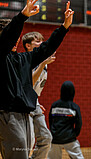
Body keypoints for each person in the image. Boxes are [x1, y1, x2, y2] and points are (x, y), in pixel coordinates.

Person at [0, 0, 74, 158]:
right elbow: (6, 39)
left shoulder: (22, 59)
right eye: (14, 36)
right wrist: (22, 16)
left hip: (24, 113)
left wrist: (64, 27)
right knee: (17, 152)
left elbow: (46, 48)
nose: (17, 39)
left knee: (25, 152)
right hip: (6, 113)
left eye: (18, 37)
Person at [22, 31, 55, 159]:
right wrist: (42, 64)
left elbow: (34, 88)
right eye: (37, 41)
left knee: (46, 138)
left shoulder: (43, 63)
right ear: (28, 46)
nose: (41, 43)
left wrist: (37, 101)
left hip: (33, 103)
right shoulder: (25, 61)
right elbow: (29, 83)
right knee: (27, 142)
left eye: (42, 40)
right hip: (23, 105)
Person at [48, 81, 84, 159]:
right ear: (73, 92)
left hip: (55, 138)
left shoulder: (54, 105)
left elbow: (50, 120)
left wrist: (54, 132)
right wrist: (74, 135)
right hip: (70, 138)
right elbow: (79, 123)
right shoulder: (74, 107)